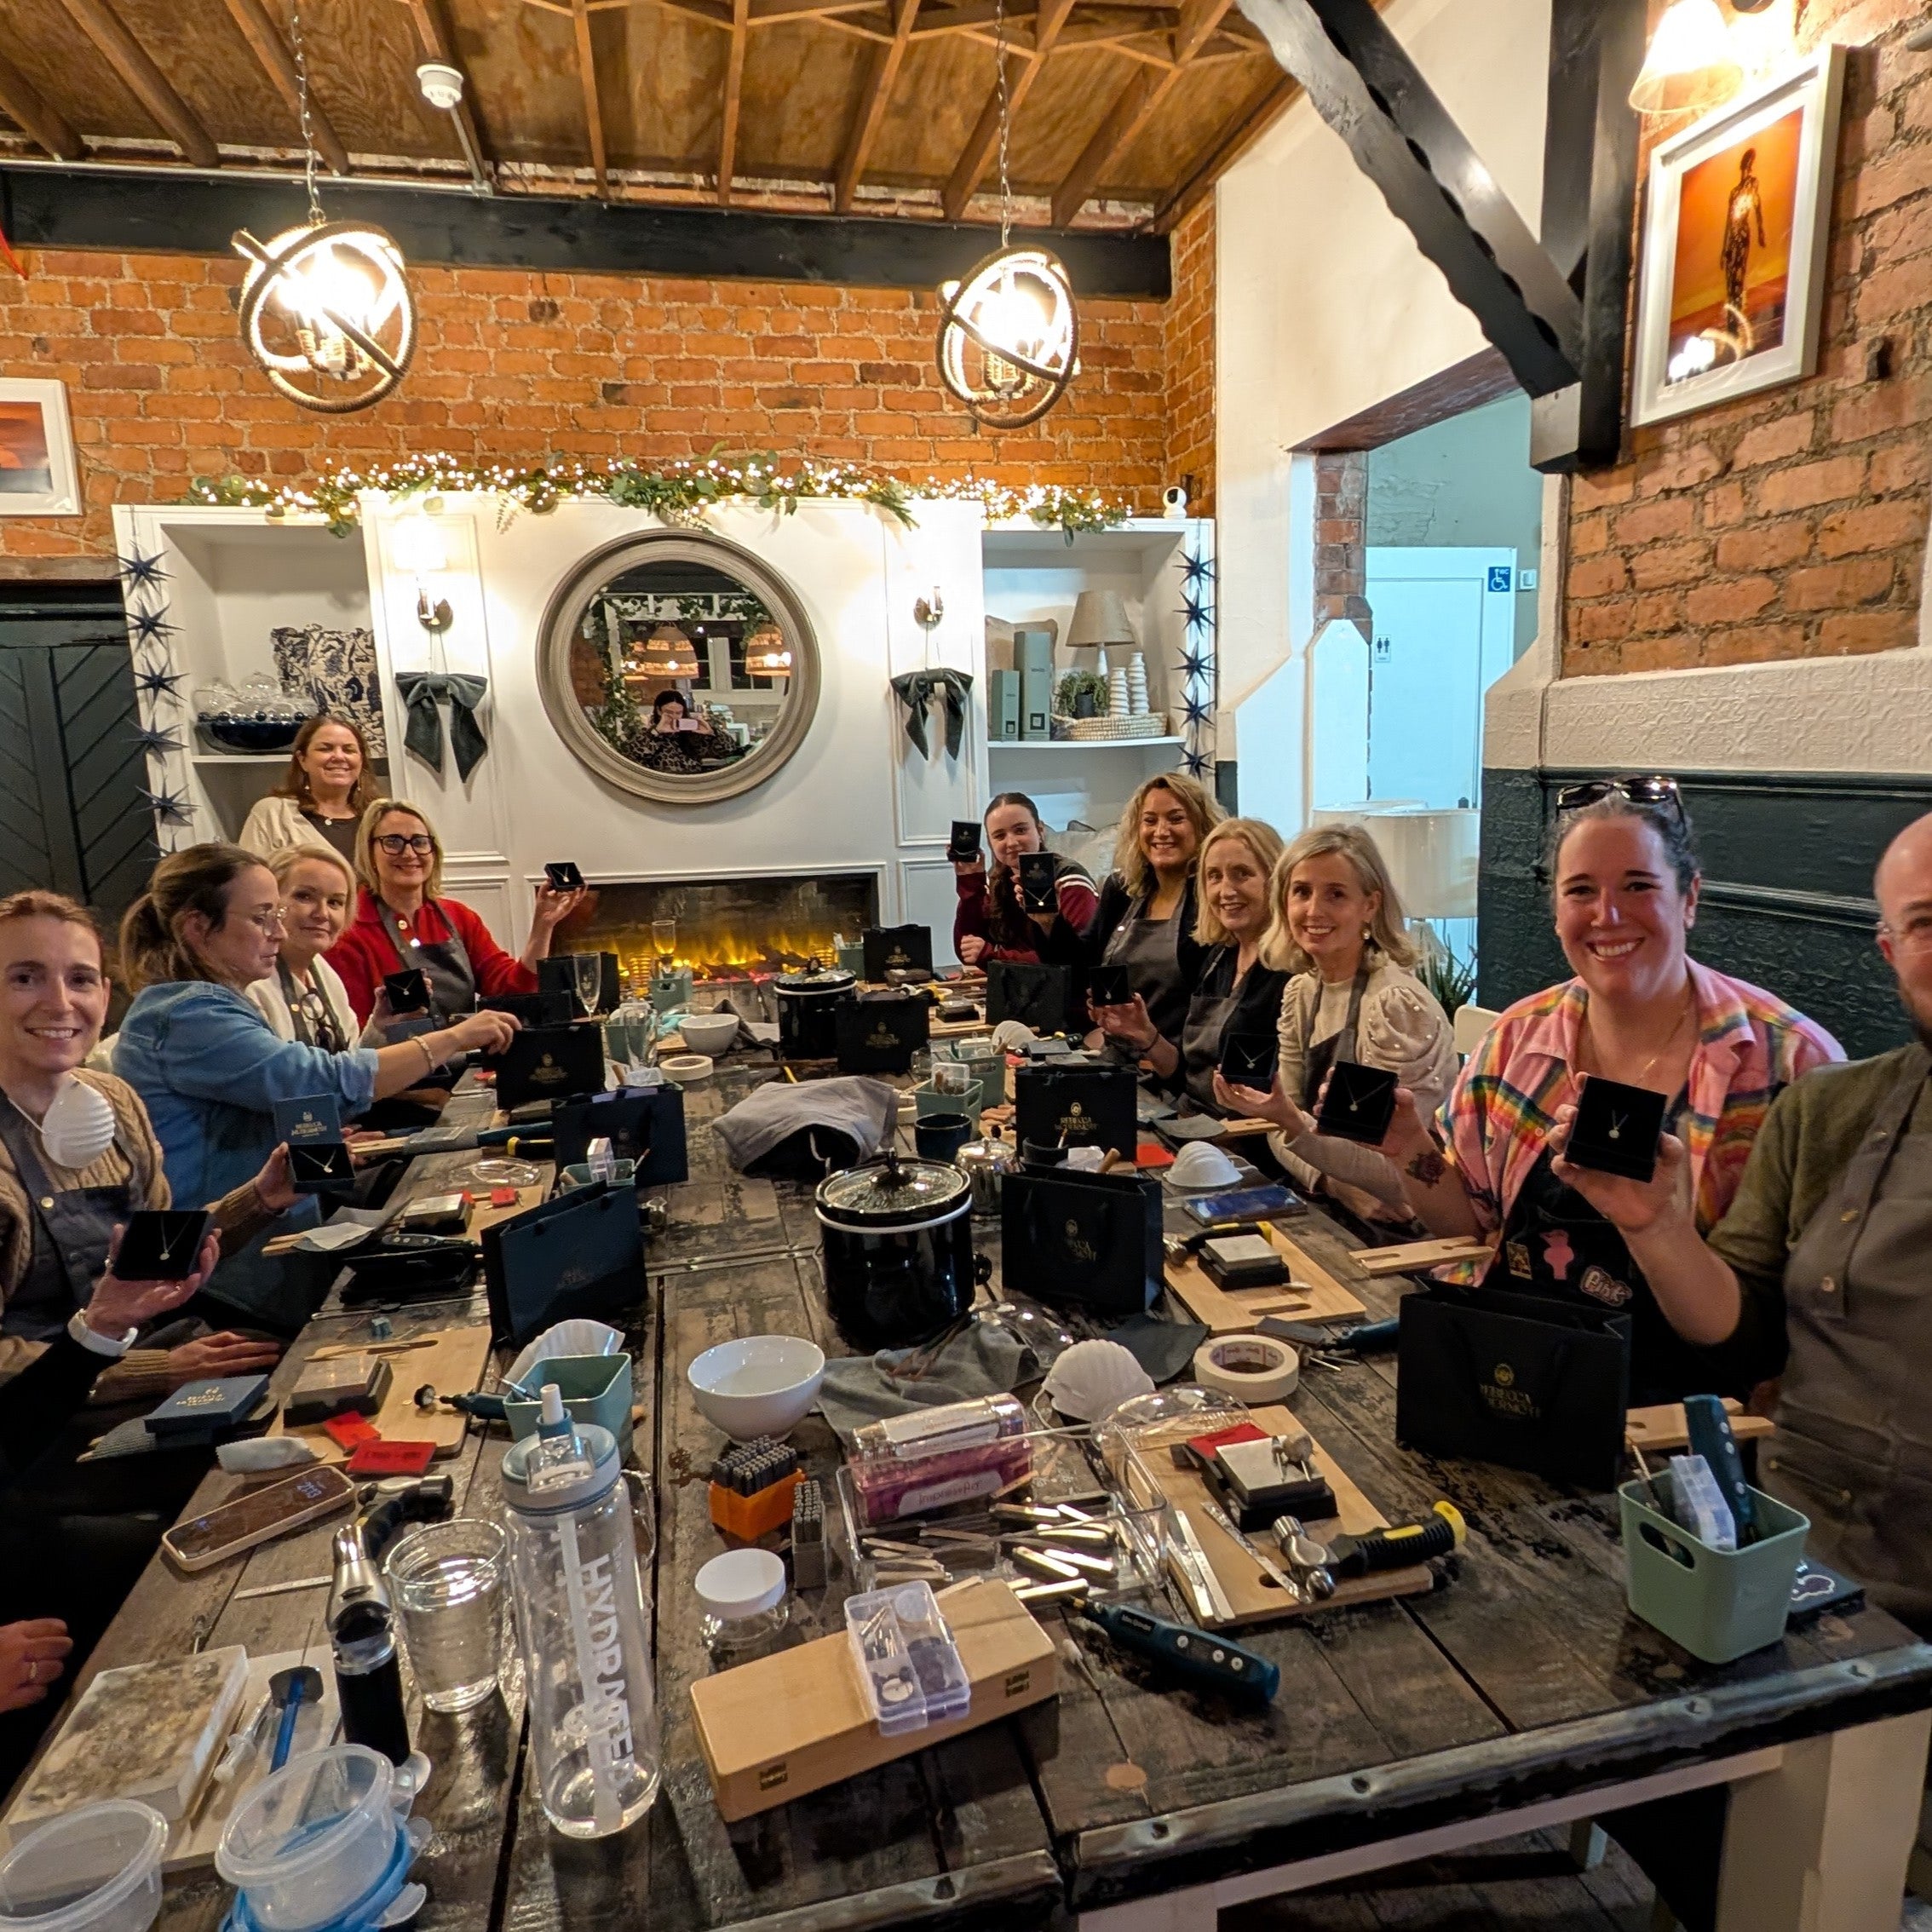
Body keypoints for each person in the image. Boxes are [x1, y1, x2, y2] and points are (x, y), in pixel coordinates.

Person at [1362, 779, 1841, 1406]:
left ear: (1689, 897)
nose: (1606, 915)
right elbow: (1467, 1222)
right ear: (1557, 910)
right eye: (1581, 891)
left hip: (1684, 1418)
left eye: (1638, 886)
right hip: (1515, 1381)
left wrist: (1657, 1225)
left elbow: (1794, 1331)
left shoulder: (1789, 1064)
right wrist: (1406, 1148)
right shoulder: (1516, 1041)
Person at [1590, 809, 1932, 1625]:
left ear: (1690, 901)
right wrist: (1656, 1228)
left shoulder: (1785, 1051)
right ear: (1890, 952)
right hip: (1777, 1562)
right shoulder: (1830, 1108)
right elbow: (1745, 1337)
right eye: (1926, 923)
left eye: (1638, 887)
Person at [113, 845, 518, 1328]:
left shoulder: (210, 1002)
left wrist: (322, 1146)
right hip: (223, 1283)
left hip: (265, 1250)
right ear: (197, 927)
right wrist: (452, 1037)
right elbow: (319, 1080)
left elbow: (276, 1109)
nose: (279, 932)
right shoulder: (186, 1014)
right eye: (263, 917)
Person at [0, 890, 286, 1396]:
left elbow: (154, 1261)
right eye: (25, 978)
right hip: (39, 1422)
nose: (61, 1002)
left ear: (106, 997)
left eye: (81, 979)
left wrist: (260, 1199)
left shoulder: (113, 1098)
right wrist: (153, 1371)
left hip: (143, 1353)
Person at [1215, 824, 1457, 1214]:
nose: (1314, 911)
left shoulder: (1394, 1006)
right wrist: (1330, 1182)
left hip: (1406, 1232)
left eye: (1336, 894)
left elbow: (1398, 1171)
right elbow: (1283, 1123)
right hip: (1329, 1201)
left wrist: (1292, 1127)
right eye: (1302, 892)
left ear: (1371, 905)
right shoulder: (1301, 992)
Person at [325, 800, 586, 1026]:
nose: (409, 853)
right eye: (392, 842)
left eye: (419, 841)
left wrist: (543, 926)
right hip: (400, 1073)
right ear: (370, 853)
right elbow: (355, 1038)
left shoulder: (460, 917)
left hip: (465, 1061)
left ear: (433, 851)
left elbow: (511, 990)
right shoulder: (350, 930)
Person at [1098, 818, 1287, 1110]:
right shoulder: (1220, 959)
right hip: (1191, 1121)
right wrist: (1146, 1035)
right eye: (1214, 876)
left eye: (1242, 874)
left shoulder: (1286, 975)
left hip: (1238, 1140)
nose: (1226, 891)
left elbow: (1268, 1108)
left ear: (1275, 880)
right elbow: (1184, 1076)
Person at [1087, 772, 1225, 1052]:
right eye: (1150, 821)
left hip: (1176, 1062)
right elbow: (1085, 961)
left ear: (1202, 827)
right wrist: (1047, 923)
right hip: (1119, 1054)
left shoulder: (1214, 902)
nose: (1161, 832)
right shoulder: (1122, 890)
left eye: (1176, 819)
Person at [952, 793, 1098, 968]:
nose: (1012, 842)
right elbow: (968, 949)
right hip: (1017, 987)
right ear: (990, 843)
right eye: (999, 836)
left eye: (1020, 830)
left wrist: (994, 955)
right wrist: (971, 886)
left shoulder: (1069, 880)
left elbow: (1082, 958)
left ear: (1040, 830)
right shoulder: (1000, 881)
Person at [247, 845, 360, 1051]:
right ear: (268, 901)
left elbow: (352, 1065)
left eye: (335, 902)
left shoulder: (324, 972)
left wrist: (380, 1029)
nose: (323, 913)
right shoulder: (250, 982)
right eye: (304, 896)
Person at [238, 716, 379, 864]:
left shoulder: (379, 818)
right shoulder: (272, 814)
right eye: (325, 748)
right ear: (302, 759)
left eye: (348, 750)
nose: (339, 756)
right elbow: (248, 881)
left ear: (361, 760)